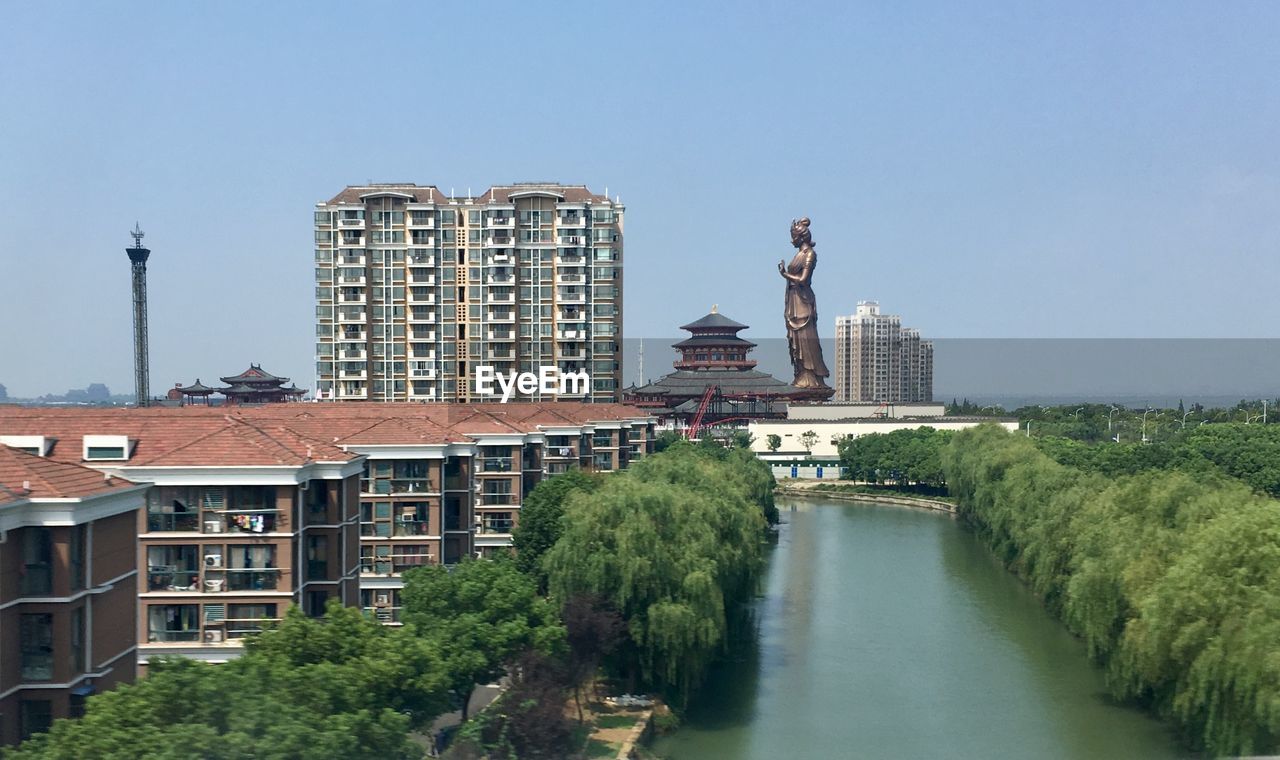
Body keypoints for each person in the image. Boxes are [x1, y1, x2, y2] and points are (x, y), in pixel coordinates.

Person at [778, 217, 831, 389]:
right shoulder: (799, 254)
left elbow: (803, 279)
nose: (791, 240)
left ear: (800, 237)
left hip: (803, 301)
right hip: (794, 300)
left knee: (807, 339)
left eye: (793, 236)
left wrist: (785, 274)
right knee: (795, 339)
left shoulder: (810, 254)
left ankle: (812, 376)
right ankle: (801, 373)